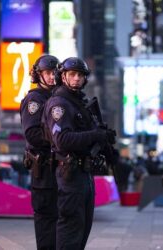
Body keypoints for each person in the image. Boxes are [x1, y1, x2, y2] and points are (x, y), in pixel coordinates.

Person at [42, 57, 115, 249]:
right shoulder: (59, 104)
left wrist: (104, 139)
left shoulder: (79, 103)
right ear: (62, 77)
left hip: (84, 173)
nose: (76, 79)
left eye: (80, 75)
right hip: (70, 174)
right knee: (71, 230)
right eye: (72, 74)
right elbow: (62, 140)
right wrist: (95, 135)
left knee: (83, 229)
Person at [19, 54, 59, 250]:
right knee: (46, 225)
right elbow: (32, 134)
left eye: (56, 73)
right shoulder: (35, 99)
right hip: (43, 171)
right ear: (38, 75)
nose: (53, 77)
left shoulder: (57, 98)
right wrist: (60, 139)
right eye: (49, 73)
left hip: (58, 171)